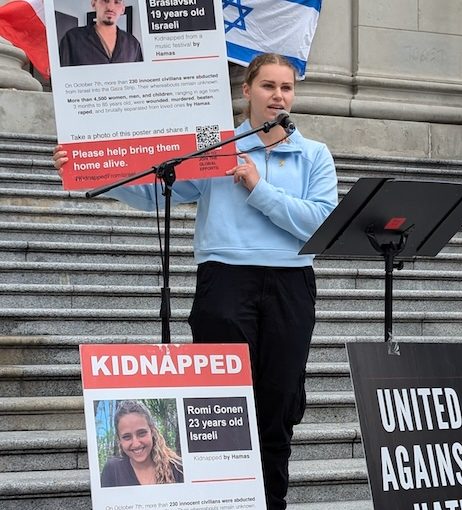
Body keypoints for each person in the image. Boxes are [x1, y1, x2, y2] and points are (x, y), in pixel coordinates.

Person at [54, 53, 338, 508]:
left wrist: (258, 187)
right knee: (223, 402)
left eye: (286, 87)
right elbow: (155, 187)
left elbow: (320, 224)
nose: (278, 96)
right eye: (268, 86)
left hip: (290, 284)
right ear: (246, 91)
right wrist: (86, 166)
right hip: (224, 280)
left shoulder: (314, 155)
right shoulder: (215, 145)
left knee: (279, 401)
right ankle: (226, 499)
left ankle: (272, 501)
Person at [100, 400, 184, 487]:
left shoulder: (178, 469)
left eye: (142, 433)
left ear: (152, 431)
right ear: (119, 440)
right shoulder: (113, 471)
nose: (136, 444)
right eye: (127, 437)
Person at [59, 0, 143, 66]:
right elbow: (61, 79)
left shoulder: (133, 44)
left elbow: (139, 78)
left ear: (122, 9)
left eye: (116, 2)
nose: (110, 7)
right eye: (105, 0)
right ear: (93, 3)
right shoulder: (72, 38)